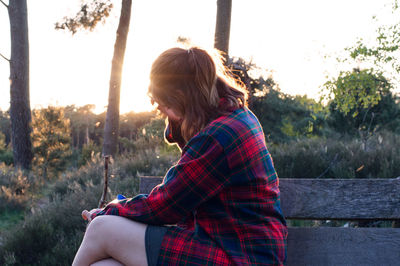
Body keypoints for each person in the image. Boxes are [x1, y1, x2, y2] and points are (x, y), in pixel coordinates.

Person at [73, 47, 287, 266]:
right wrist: (179, 117)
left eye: (165, 105)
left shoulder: (218, 137)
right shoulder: (236, 117)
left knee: (101, 228)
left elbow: (165, 206)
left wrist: (108, 210)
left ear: (184, 98)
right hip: (229, 247)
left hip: (239, 257)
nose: (163, 113)